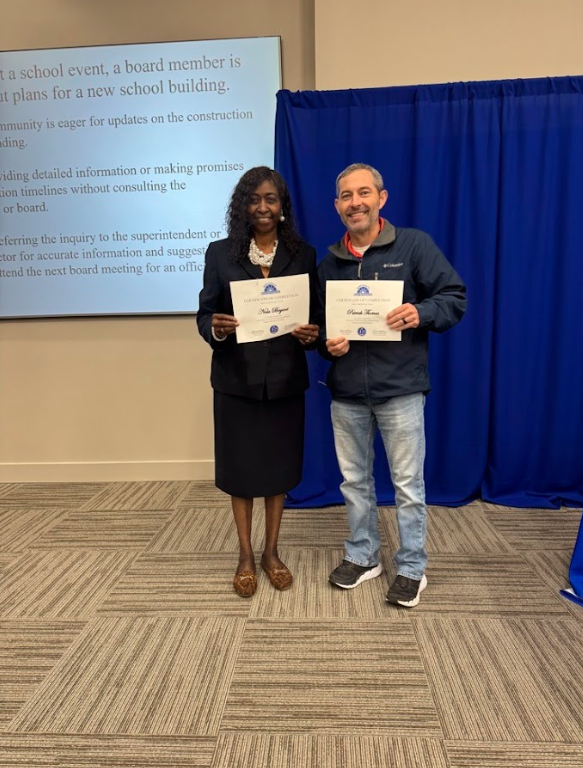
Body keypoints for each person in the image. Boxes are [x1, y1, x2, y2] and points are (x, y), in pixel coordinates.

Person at [317, 163, 466, 608]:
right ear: (337, 206)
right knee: (354, 481)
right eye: (346, 196)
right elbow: (322, 329)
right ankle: (363, 556)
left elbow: (453, 298)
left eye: (364, 193)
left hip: (400, 389)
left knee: (407, 485)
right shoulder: (329, 263)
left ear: (381, 198)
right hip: (347, 393)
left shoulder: (414, 245)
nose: (355, 202)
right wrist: (328, 345)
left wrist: (421, 313)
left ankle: (412, 568)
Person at [197, 166, 319, 598]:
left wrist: (312, 334)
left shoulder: (303, 255)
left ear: (282, 205)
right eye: (253, 199)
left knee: (278, 471)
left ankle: (271, 552)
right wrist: (216, 328)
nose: (262, 207)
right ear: (242, 206)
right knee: (241, 471)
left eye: (270, 198)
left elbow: (314, 316)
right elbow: (204, 314)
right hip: (236, 381)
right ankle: (246, 555)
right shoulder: (220, 254)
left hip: (285, 381)